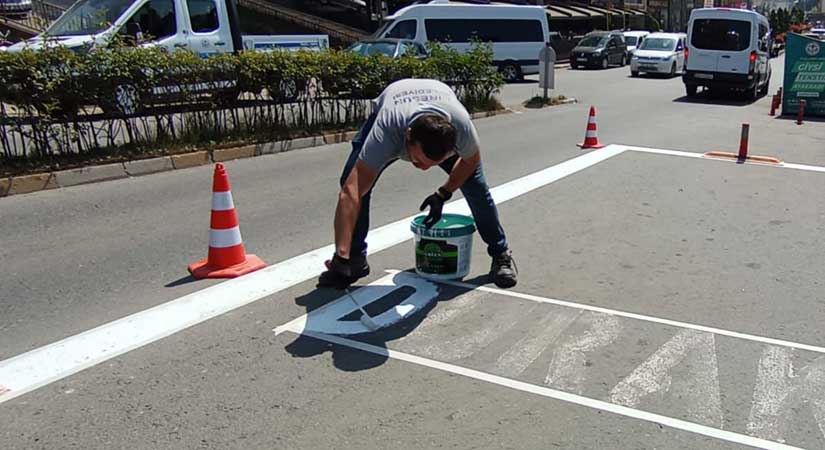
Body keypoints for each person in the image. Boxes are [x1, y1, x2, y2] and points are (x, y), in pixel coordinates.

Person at [317, 78, 517, 290]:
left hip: (439, 101)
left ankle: (501, 254)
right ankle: (354, 259)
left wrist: (444, 193)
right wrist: (341, 253)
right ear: (408, 137)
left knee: (476, 187)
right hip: (395, 103)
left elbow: (471, 161)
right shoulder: (387, 131)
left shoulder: (462, 129)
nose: (423, 168)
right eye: (418, 161)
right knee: (354, 183)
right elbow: (351, 191)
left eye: (433, 164)